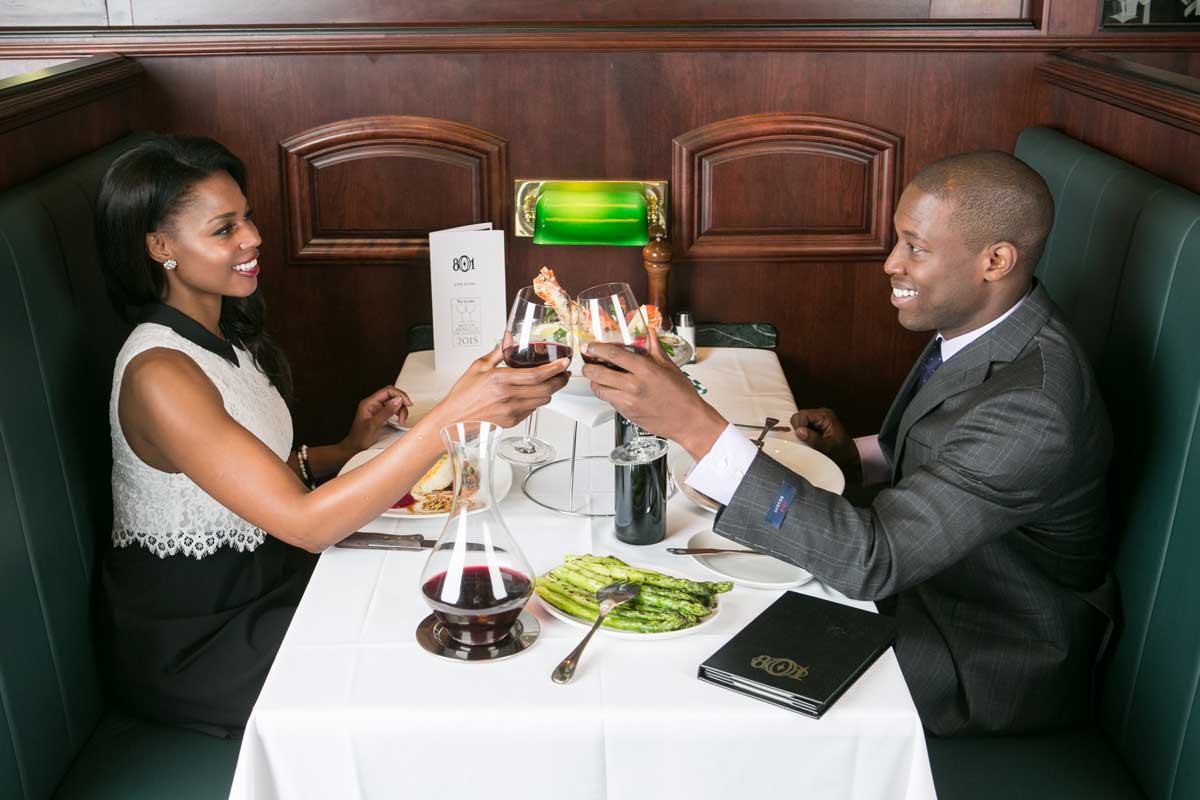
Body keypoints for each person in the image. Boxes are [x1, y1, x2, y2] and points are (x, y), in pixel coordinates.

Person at [583, 151, 1115, 737]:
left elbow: (875, 560)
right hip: (926, 588)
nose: (891, 263)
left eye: (916, 247)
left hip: (978, 653)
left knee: (682, 680)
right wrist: (854, 455)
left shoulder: (1034, 403)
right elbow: (958, 456)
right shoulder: (985, 326)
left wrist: (696, 426)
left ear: (995, 261)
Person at [95, 135, 569, 737]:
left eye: (249, 218)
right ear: (160, 246)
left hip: (272, 584)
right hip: (203, 637)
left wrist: (346, 449)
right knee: (444, 671)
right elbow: (307, 524)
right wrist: (448, 419)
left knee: (473, 609)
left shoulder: (220, 331)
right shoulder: (160, 374)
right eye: (224, 229)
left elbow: (249, 476)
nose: (253, 238)